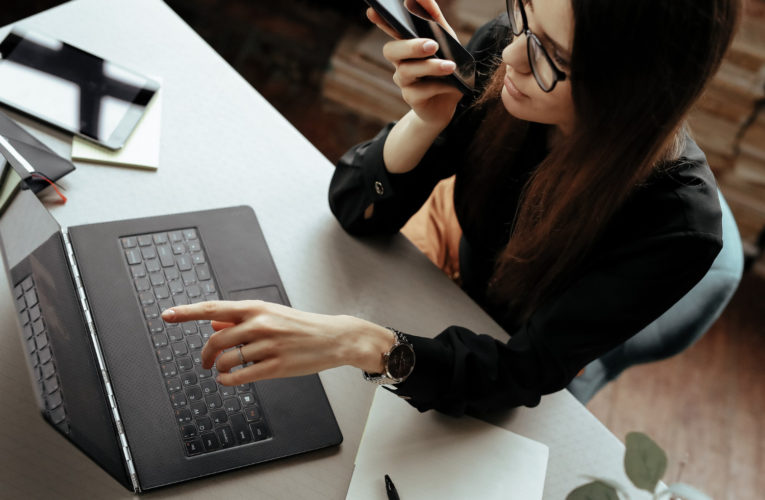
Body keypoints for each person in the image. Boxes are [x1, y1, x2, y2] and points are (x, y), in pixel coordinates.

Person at [161, 0, 740, 416]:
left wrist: (358, 343)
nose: (511, 55)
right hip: (452, 279)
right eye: (525, 16)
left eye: (550, 54)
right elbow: (355, 208)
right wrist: (425, 121)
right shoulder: (514, 56)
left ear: (635, 89)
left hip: (514, 347)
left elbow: (520, 373)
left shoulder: (676, 228)